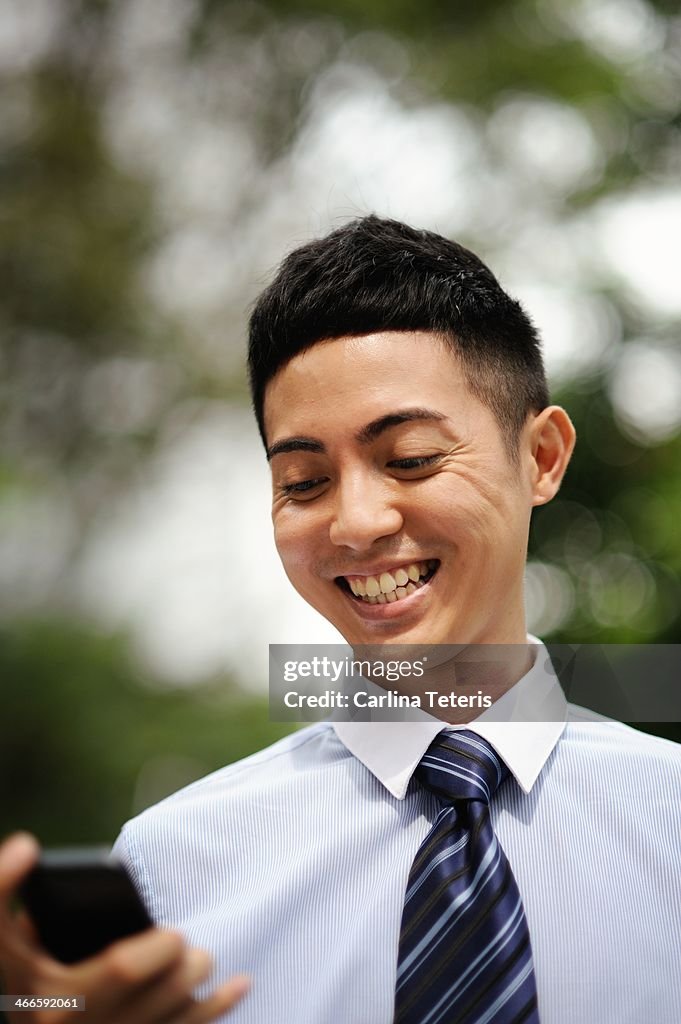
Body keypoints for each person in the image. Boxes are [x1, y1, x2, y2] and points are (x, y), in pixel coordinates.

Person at [1, 215, 680, 1023]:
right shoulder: (169, 868)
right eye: (303, 481)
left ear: (540, 457)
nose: (355, 523)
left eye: (411, 459)